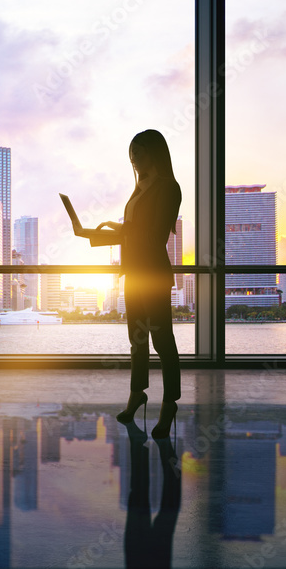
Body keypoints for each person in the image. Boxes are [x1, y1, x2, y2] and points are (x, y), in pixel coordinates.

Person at [76, 129, 182, 439]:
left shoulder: (169, 187)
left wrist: (119, 231)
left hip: (153, 274)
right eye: (131, 153)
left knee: (163, 342)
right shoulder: (140, 187)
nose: (134, 159)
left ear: (155, 153)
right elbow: (135, 232)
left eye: (140, 152)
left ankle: (170, 402)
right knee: (137, 341)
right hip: (134, 274)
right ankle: (138, 394)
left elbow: (155, 234)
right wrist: (102, 231)